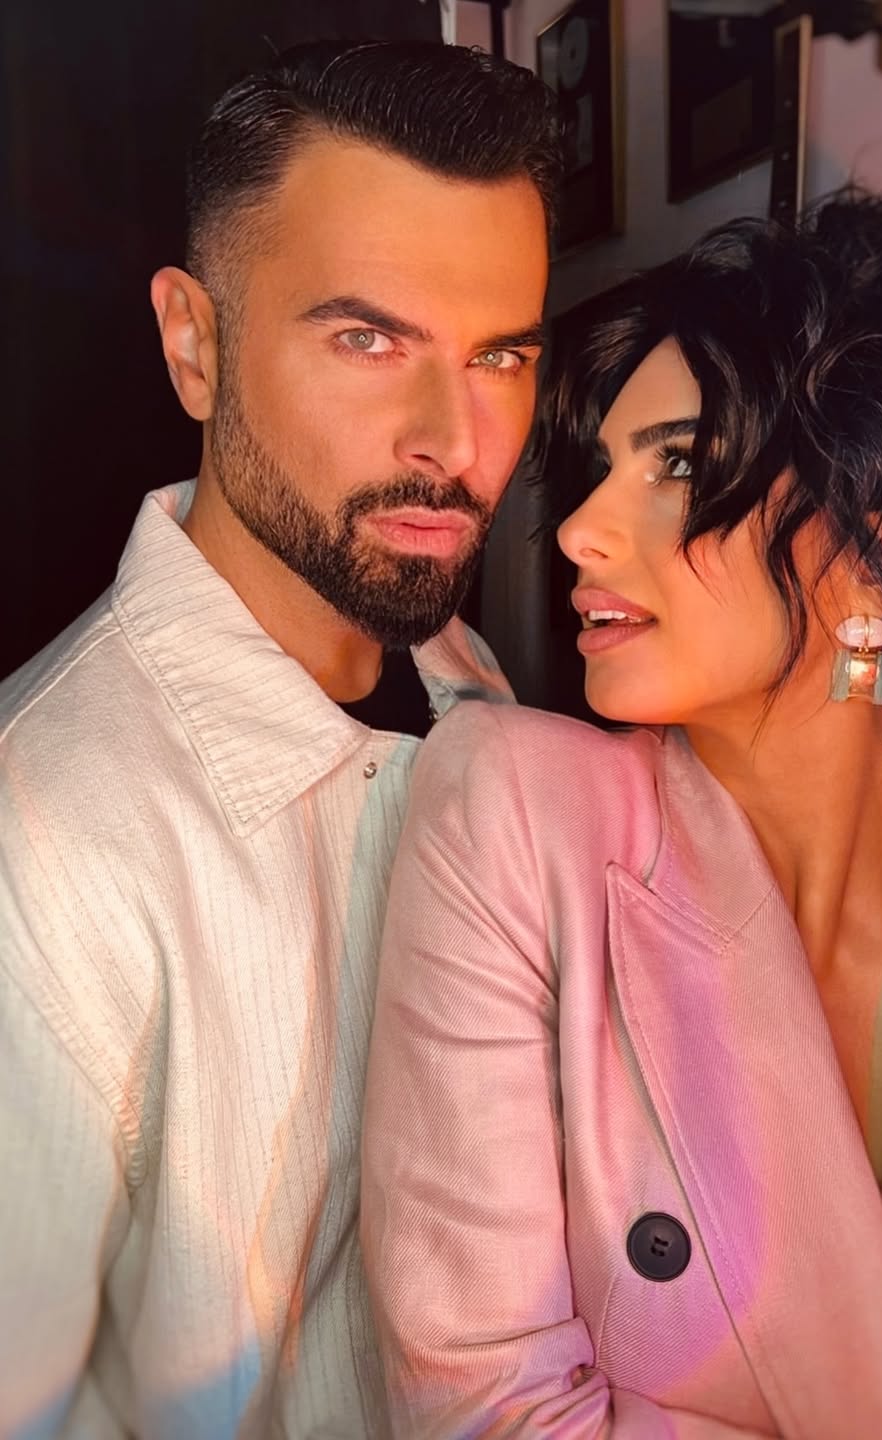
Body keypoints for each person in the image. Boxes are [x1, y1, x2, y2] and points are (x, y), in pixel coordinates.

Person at [361, 194, 882, 1438]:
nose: (580, 529)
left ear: (879, 556)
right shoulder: (516, 815)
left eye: (680, 466)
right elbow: (482, 1403)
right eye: (605, 468)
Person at [0, 38, 558, 1439]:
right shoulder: (38, 839)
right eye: (367, 340)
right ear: (194, 344)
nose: (452, 440)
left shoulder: (469, 679)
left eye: (499, 355)